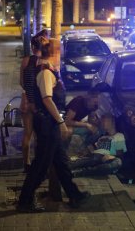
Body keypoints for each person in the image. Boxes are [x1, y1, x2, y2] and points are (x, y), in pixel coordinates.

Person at [17, 41, 90, 213]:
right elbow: (47, 99)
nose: (62, 54)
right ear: (55, 52)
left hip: (48, 123)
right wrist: (60, 122)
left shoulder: (48, 69)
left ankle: (74, 195)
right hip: (47, 124)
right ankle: (25, 201)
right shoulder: (45, 73)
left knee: (60, 161)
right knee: (41, 166)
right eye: (61, 50)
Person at [19, 32, 44, 173]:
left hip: (26, 101)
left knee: (27, 134)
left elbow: (21, 82)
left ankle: (26, 163)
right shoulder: (43, 62)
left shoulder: (25, 61)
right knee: (38, 134)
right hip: (38, 102)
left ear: (32, 47)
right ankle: (37, 162)